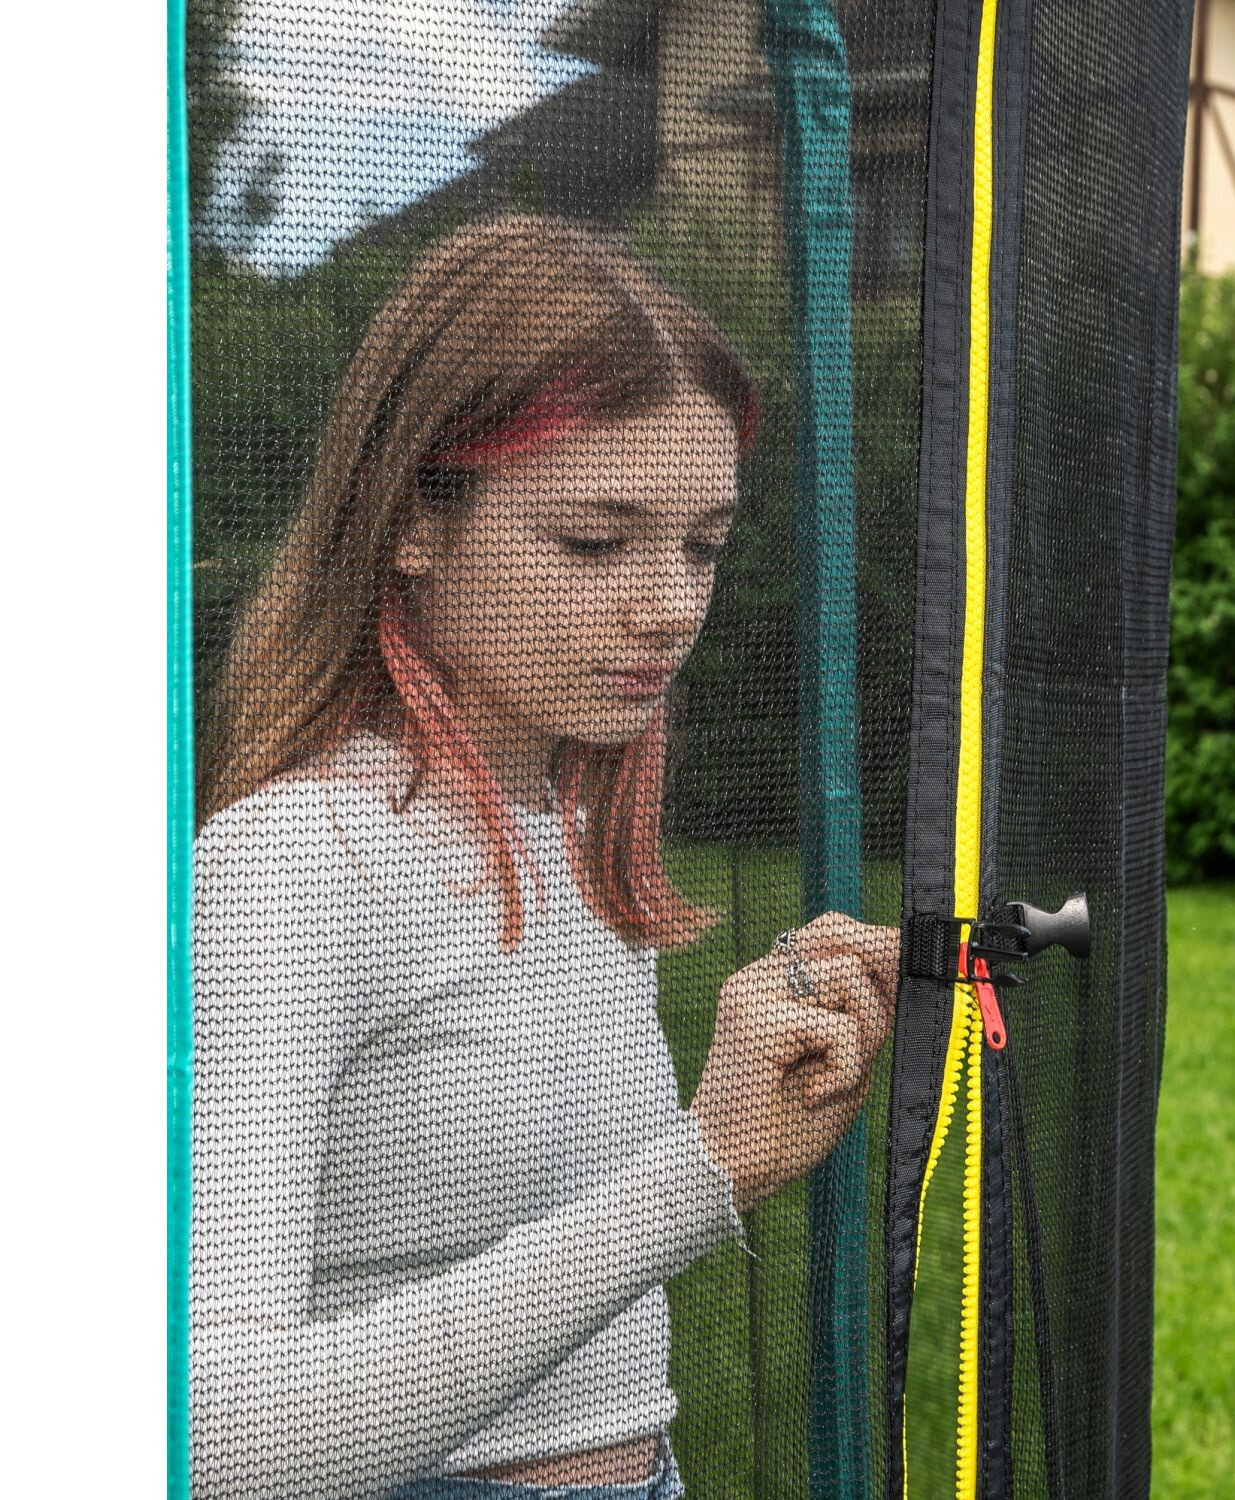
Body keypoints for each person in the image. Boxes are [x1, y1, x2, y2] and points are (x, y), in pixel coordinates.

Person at [189, 211, 900, 1500]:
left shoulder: (568, 834)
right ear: (411, 520)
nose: (669, 607)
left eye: (703, 544)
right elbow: (222, 1437)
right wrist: (702, 1167)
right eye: (593, 542)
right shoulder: (291, 864)